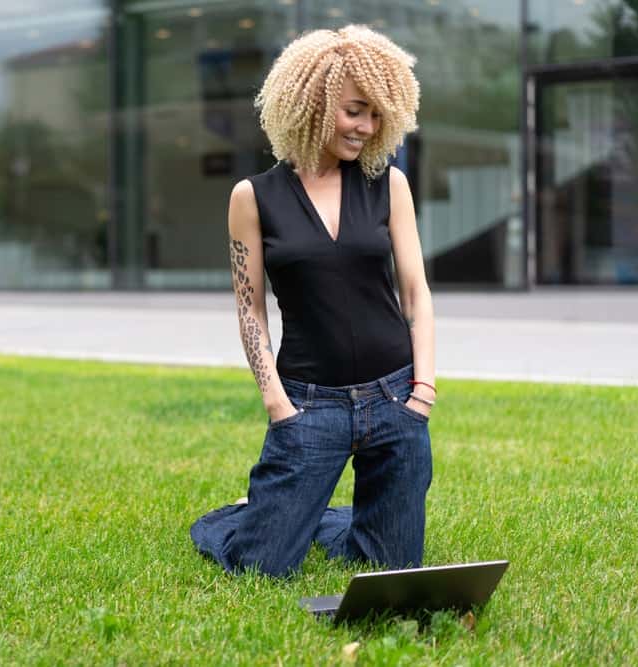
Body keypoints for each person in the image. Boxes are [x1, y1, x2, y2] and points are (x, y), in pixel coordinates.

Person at [189, 24, 435, 579]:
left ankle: (318, 514)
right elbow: (250, 310)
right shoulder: (252, 197)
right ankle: (248, 514)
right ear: (314, 102)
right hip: (309, 404)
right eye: (354, 111)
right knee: (261, 566)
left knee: (390, 565)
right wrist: (278, 404)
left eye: (375, 113)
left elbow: (416, 292)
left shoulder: (388, 184)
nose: (367, 127)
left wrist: (423, 390)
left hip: (396, 396)